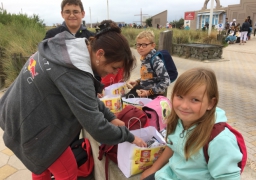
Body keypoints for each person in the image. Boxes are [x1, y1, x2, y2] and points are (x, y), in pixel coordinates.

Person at [0, 21, 147, 180]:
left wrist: (111, 117)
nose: (112, 73)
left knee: (40, 165)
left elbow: (85, 98)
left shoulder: (69, 48)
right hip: (31, 124)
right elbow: (97, 127)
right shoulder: (75, 73)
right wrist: (129, 136)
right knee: (67, 171)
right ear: (100, 54)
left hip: (17, 110)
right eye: (114, 68)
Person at [141, 67, 242, 180]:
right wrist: (154, 169)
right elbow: (171, 146)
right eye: (180, 96)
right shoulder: (178, 120)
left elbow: (228, 177)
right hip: (168, 174)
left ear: (210, 103)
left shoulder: (219, 140)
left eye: (195, 100)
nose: (184, 106)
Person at [125, 30, 170, 99]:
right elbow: (149, 76)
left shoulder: (155, 61)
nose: (140, 47)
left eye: (144, 45)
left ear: (152, 46)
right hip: (144, 92)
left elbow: (166, 81)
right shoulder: (145, 59)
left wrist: (149, 92)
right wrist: (137, 82)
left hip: (153, 96)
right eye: (138, 44)